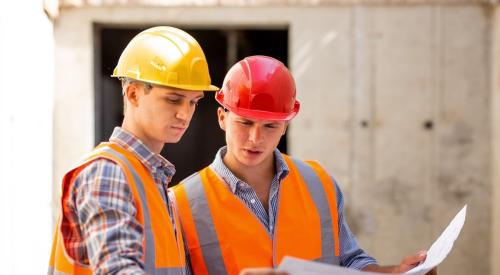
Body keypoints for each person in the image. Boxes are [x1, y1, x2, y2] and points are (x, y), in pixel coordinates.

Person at [172, 55, 437, 275]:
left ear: (285, 125)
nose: (255, 138)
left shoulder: (317, 183)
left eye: (270, 126)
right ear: (222, 117)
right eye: (245, 123)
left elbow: (349, 261)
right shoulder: (183, 203)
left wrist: (395, 272)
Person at [48, 26, 218, 275]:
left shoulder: (153, 181)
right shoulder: (108, 172)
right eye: (173, 99)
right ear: (133, 94)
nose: (185, 114)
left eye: (193, 101)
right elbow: (118, 270)